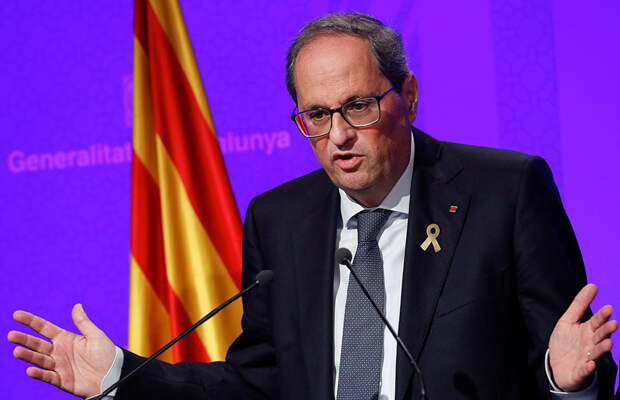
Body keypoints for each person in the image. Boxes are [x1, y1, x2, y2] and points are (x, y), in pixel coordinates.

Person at [8, 12, 618, 400]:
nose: (339, 136)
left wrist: (564, 383)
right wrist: (121, 375)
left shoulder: (505, 191)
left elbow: (571, 355)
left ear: (408, 95)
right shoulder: (279, 221)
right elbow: (258, 384)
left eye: (358, 106)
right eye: (316, 116)